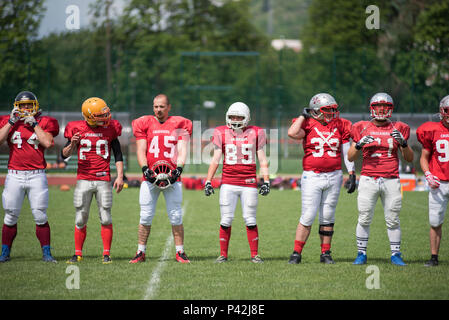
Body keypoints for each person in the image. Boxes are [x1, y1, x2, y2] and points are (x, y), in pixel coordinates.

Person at [287, 93, 356, 264]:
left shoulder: (341, 125)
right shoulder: (308, 123)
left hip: (334, 175)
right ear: (316, 111)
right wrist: (304, 116)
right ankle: (296, 253)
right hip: (312, 175)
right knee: (308, 215)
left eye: (333, 110)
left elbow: (346, 152)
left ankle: (326, 253)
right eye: (327, 110)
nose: (332, 113)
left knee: (328, 216)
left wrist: (352, 173)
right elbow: (292, 133)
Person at [348, 92, 414, 266]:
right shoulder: (361, 127)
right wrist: (359, 144)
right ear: (372, 108)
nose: (382, 110)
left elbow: (409, 158)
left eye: (385, 107)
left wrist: (405, 144)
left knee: (393, 218)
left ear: (391, 109)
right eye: (378, 106)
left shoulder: (400, 127)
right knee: (364, 217)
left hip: (391, 178)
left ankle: (396, 254)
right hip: (368, 178)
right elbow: (350, 157)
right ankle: (361, 253)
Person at [129, 94, 192, 264]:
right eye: (156, 106)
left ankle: (180, 252)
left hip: (172, 177)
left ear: (169, 107)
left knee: (176, 215)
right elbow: (141, 149)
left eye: (162, 106)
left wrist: (178, 169)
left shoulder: (179, 123)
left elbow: (182, 149)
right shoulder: (145, 123)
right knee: (145, 216)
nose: (158, 110)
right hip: (150, 177)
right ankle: (140, 252)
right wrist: (145, 169)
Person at [204, 102, 270, 264]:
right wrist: (208, 180)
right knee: (225, 219)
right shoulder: (221, 132)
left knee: (250, 219)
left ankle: (255, 255)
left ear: (246, 118)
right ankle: (223, 255)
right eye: (232, 116)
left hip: (249, 183)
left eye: (238, 117)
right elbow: (216, 159)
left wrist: (266, 180)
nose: (234, 120)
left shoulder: (256, 132)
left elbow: (262, 159)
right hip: (228, 182)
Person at [62, 97, 124, 264]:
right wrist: (72, 145)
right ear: (89, 116)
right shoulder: (76, 129)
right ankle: (78, 253)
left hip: (103, 178)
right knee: (81, 217)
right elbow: (64, 155)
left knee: (106, 217)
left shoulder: (111, 129)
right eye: (100, 115)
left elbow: (118, 153)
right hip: (83, 179)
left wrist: (119, 175)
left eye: (105, 113)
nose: (105, 117)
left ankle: (106, 254)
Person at [0, 91, 59, 263]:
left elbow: (47, 143)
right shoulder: (8, 121)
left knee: (40, 214)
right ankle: (5, 252)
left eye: (29, 104)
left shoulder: (45, 122)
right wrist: (11, 122)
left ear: (35, 105)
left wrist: (34, 125)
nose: (26, 108)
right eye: (22, 105)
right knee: (10, 215)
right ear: (16, 107)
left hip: (36, 175)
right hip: (14, 174)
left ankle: (46, 253)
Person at [416, 95, 449, 267]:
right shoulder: (431, 130)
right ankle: (434, 257)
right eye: (447, 111)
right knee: (435, 222)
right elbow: (424, 157)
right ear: (441, 111)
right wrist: (428, 174)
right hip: (439, 182)